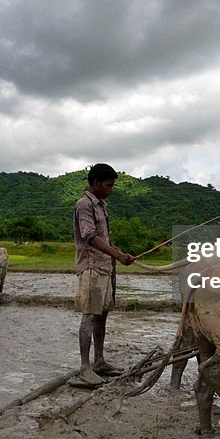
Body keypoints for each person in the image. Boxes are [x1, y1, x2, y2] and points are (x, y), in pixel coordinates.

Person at [74, 163, 135, 386]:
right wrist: (118, 255)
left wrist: (117, 254)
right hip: (91, 268)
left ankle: (99, 361)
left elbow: (103, 238)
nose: (111, 189)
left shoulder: (102, 206)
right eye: (109, 185)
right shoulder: (84, 204)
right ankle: (84, 367)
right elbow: (89, 236)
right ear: (96, 183)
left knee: (102, 315)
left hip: (105, 267)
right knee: (89, 315)